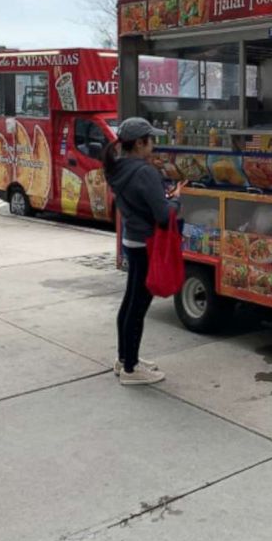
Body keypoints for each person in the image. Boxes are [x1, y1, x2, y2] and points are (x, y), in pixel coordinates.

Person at [103, 117, 176, 386]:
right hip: (147, 244)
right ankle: (132, 369)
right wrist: (176, 201)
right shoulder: (144, 172)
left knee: (129, 302)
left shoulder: (117, 168)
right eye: (151, 140)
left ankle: (125, 358)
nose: (154, 144)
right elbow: (162, 215)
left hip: (132, 241)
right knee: (138, 306)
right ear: (140, 143)